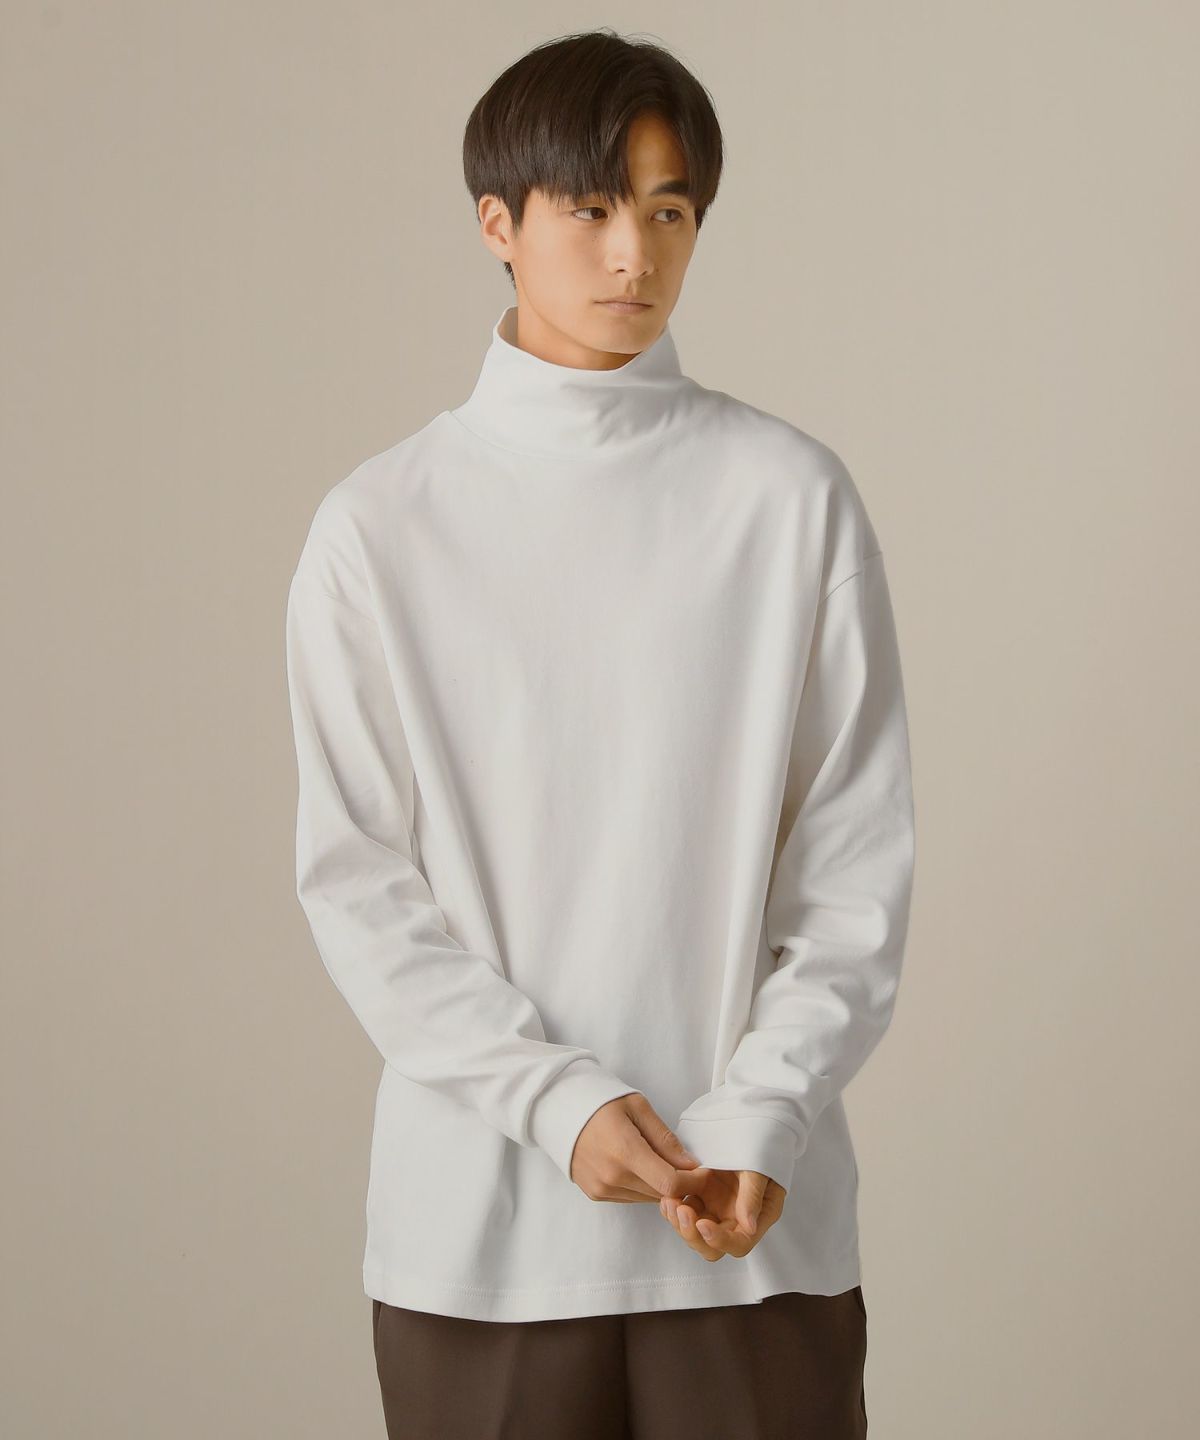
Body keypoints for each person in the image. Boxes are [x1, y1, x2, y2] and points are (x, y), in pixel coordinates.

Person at [284, 26, 915, 1439]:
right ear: (497, 224)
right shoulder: (379, 530)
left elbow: (854, 869)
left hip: (754, 1232)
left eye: (670, 211)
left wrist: (761, 1116)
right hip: (481, 1239)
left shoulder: (791, 500)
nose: (635, 254)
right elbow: (361, 885)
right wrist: (555, 1103)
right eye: (591, 208)